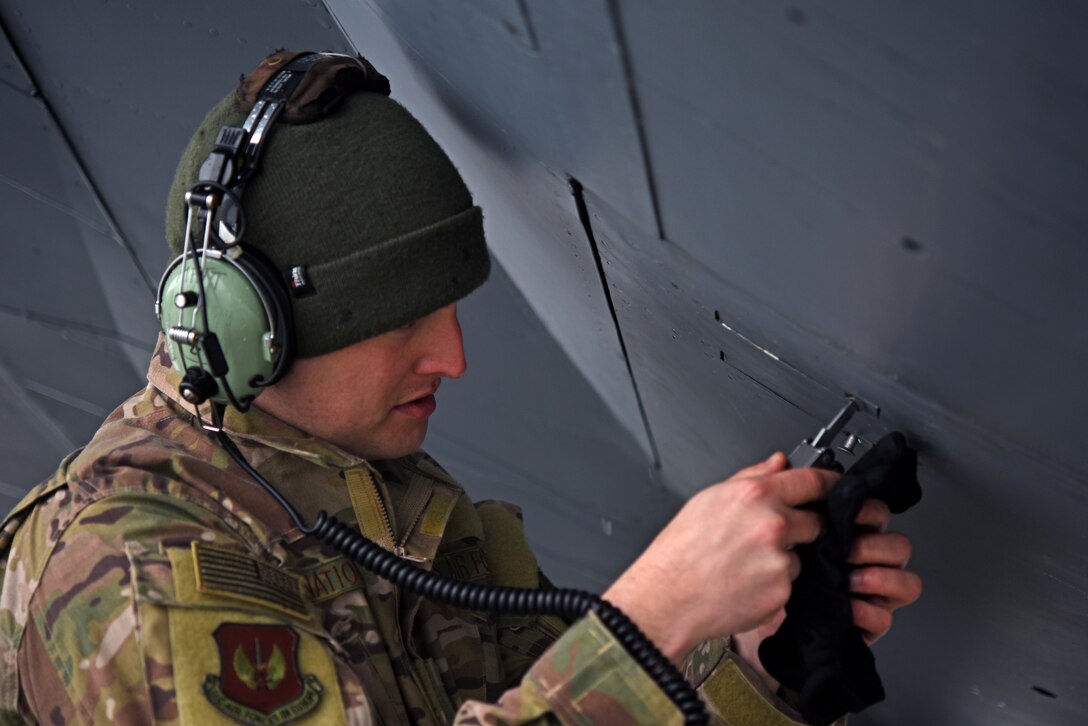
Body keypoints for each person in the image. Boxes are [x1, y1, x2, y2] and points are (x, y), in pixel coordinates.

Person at [0, 50, 920, 725]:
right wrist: (658, 614)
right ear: (250, 329)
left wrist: (758, 671)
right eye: (401, 320)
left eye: (449, 307)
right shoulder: (134, 572)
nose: (453, 356)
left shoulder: (391, 508)